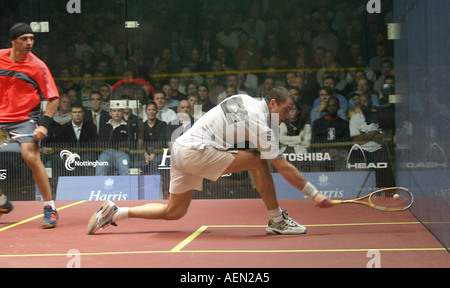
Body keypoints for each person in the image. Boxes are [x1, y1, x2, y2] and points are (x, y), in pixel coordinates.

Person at [87, 87, 333, 235]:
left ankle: (117, 212)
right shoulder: (261, 123)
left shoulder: (244, 99)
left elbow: (225, 122)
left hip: (184, 149)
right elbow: (283, 167)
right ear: (272, 103)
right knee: (258, 162)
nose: (289, 115)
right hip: (197, 151)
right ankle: (277, 220)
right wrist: (314, 194)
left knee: (175, 212)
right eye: (287, 109)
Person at [0, 23, 60, 228]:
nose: (29, 42)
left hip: (24, 119)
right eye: (24, 39)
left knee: (30, 155)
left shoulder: (38, 66)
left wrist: (43, 125)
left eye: (31, 38)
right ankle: (1, 203)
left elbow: (53, 98)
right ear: (13, 42)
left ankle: (50, 208)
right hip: (1, 120)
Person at [96, 108, 133, 176]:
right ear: (110, 113)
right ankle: (99, 186)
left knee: (125, 169)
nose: (117, 113)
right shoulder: (105, 126)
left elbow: (129, 142)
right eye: (114, 111)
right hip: (106, 152)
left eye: (119, 111)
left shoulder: (127, 126)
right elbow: (100, 141)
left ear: (122, 113)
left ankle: (125, 186)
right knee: (100, 168)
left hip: (122, 153)